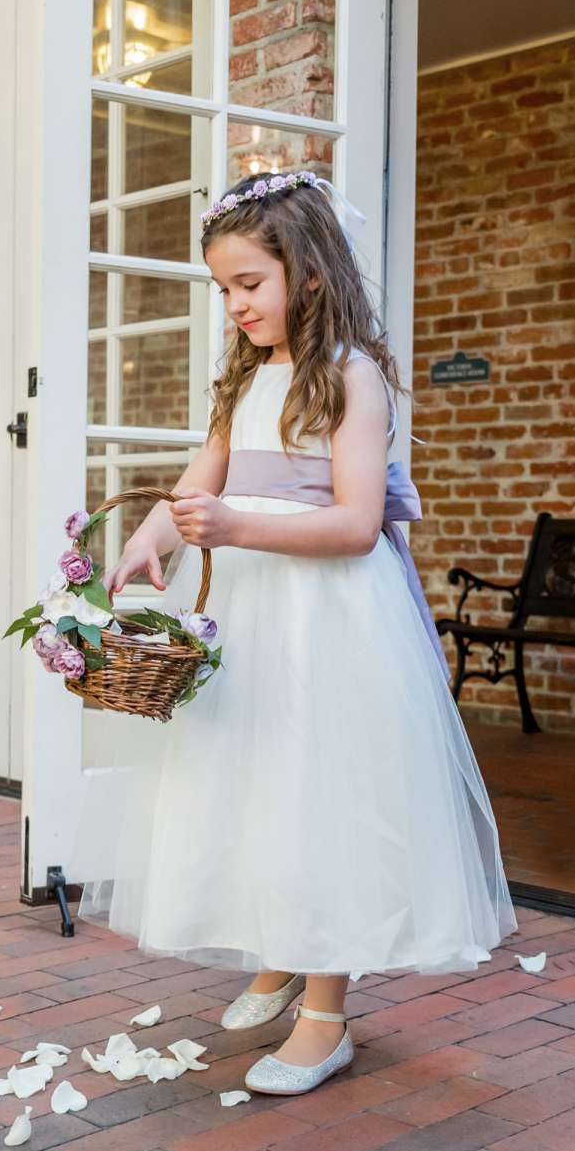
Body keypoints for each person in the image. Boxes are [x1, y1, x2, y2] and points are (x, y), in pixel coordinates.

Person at [75, 170, 517, 1097]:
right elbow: (203, 481)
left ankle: (327, 1013)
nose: (234, 304)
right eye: (223, 288)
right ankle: (277, 952)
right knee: (255, 782)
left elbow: (356, 524)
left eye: (249, 284)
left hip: (330, 616)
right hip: (254, 611)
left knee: (322, 792)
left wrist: (236, 528)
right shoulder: (248, 376)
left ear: (308, 273)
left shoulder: (352, 377)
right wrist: (147, 541)